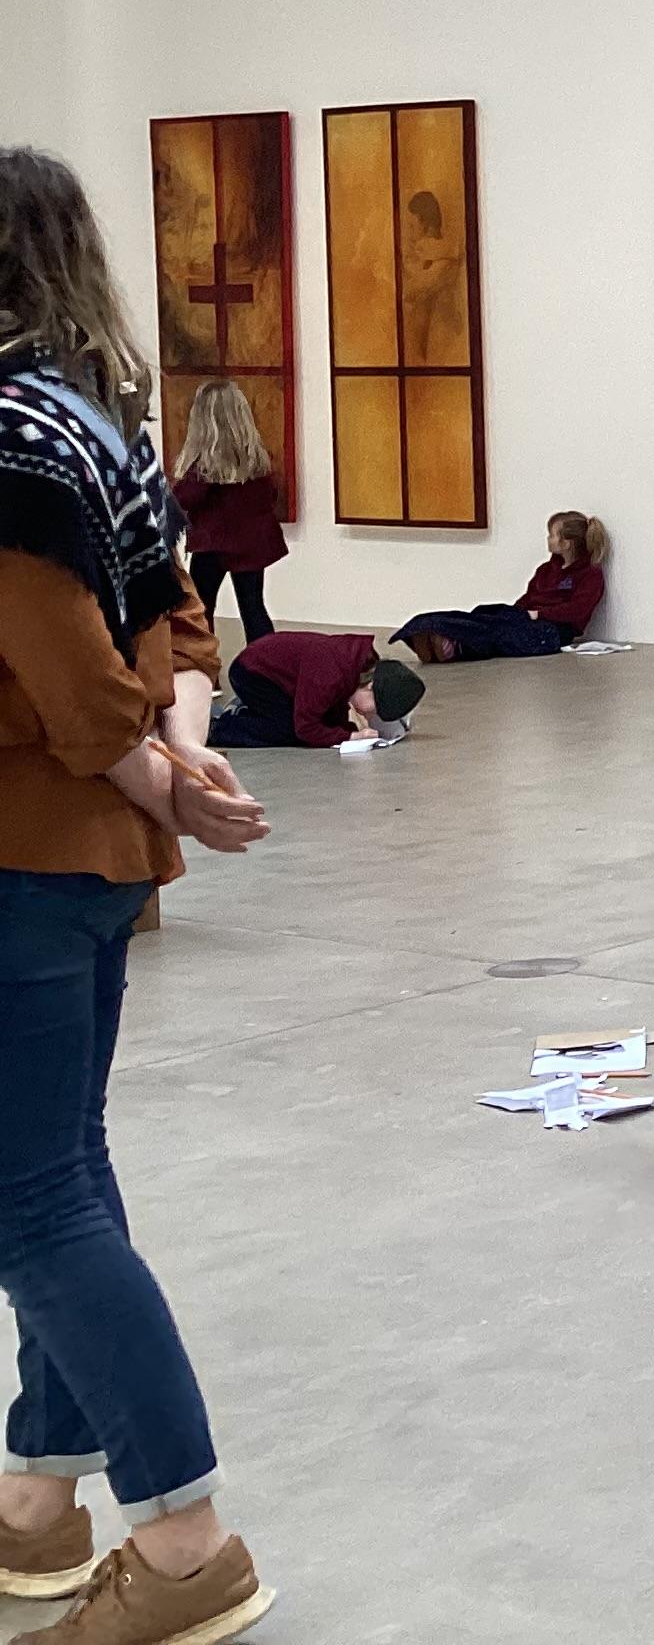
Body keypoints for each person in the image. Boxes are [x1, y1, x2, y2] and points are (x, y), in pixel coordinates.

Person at [0, 145, 280, 1644]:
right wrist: (184, 757)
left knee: (31, 1199)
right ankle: (37, 1506)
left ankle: (184, 1544)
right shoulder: (90, 421)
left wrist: (166, 778)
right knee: (58, 1170)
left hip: (22, 852)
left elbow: (64, 676)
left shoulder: (5, 436)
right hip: (90, 861)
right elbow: (177, 617)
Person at [398, 511, 608, 663]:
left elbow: (577, 609)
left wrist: (539, 614)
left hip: (553, 630)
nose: (548, 539)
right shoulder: (546, 569)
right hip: (529, 617)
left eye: (552, 535)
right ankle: (430, 631)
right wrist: (513, 612)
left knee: (503, 635)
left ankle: (453, 645)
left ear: (566, 543)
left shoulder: (590, 574)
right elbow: (529, 596)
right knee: (487, 613)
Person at [167, 383, 282, 650]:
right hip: (251, 544)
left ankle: (205, 664)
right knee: (253, 607)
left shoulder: (203, 466)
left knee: (201, 608)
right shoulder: (257, 460)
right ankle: (268, 665)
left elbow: (182, 500)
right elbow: (269, 497)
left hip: (212, 546)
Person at [205, 630, 422, 751]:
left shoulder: (354, 667)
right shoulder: (329, 676)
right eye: (375, 710)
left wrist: (343, 731)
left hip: (280, 677)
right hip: (252, 673)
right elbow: (305, 728)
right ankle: (218, 727)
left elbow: (332, 707)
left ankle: (249, 711)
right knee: (288, 731)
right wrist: (350, 735)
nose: (369, 716)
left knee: (317, 724)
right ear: (370, 686)